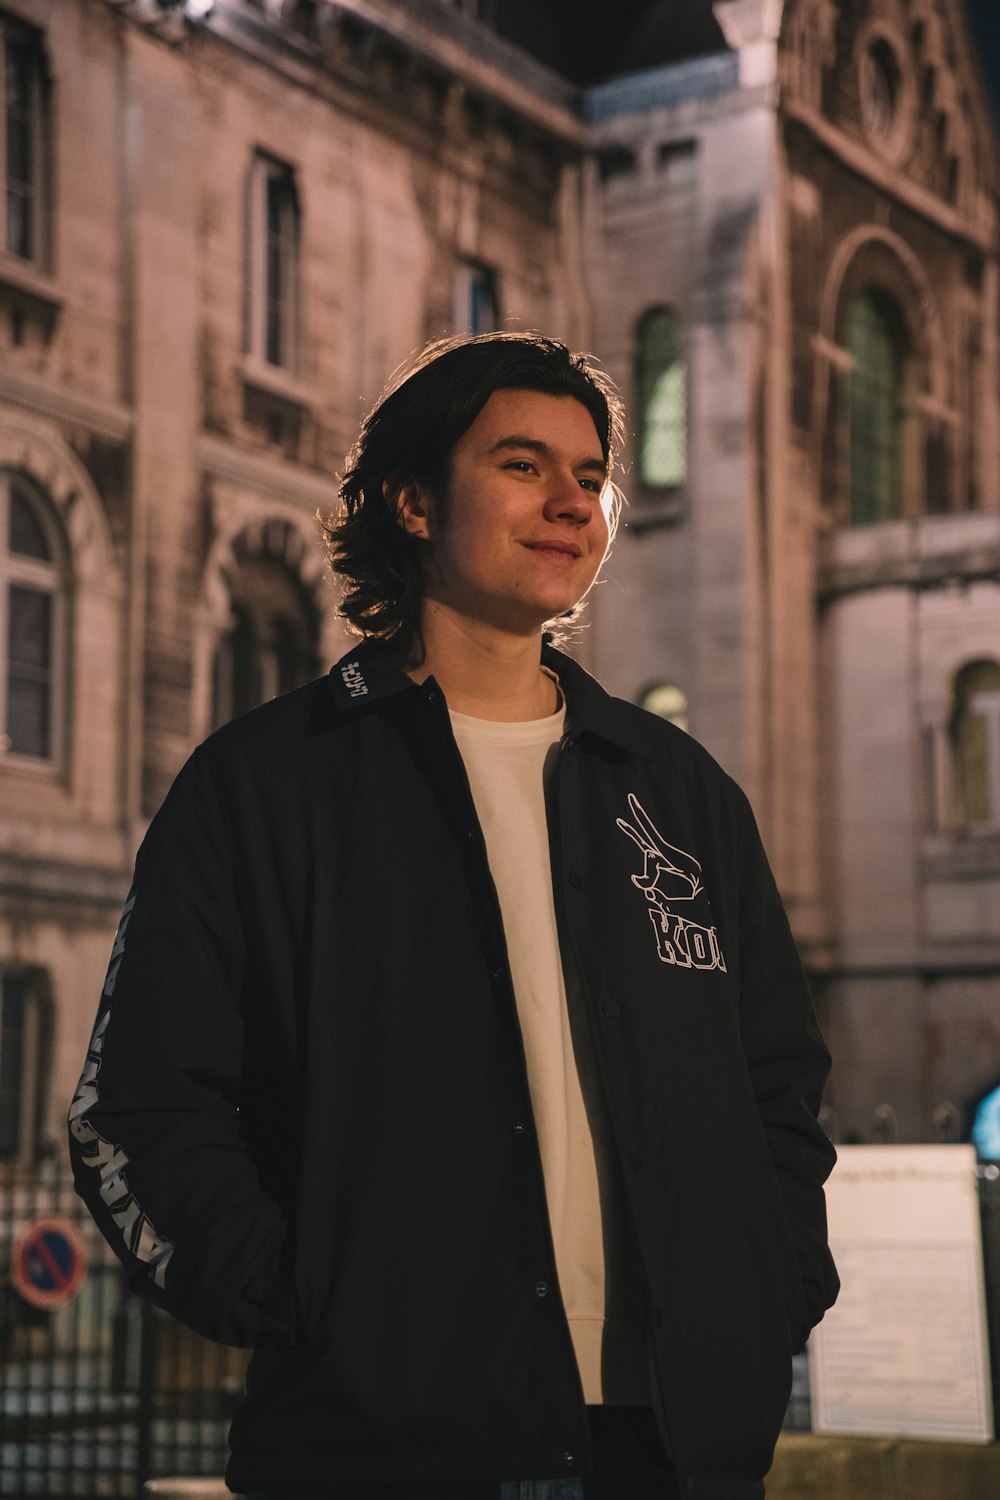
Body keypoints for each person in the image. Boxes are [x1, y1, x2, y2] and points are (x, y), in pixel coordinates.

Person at [69, 332, 838, 1500]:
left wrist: (771, 1282)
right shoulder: (267, 785)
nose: (570, 502)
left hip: (678, 1451)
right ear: (411, 500)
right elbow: (135, 1110)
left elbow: (776, 1084)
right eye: (523, 465)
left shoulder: (676, 790)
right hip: (386, 1450)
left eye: (590, 476)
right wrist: (312, 1304)